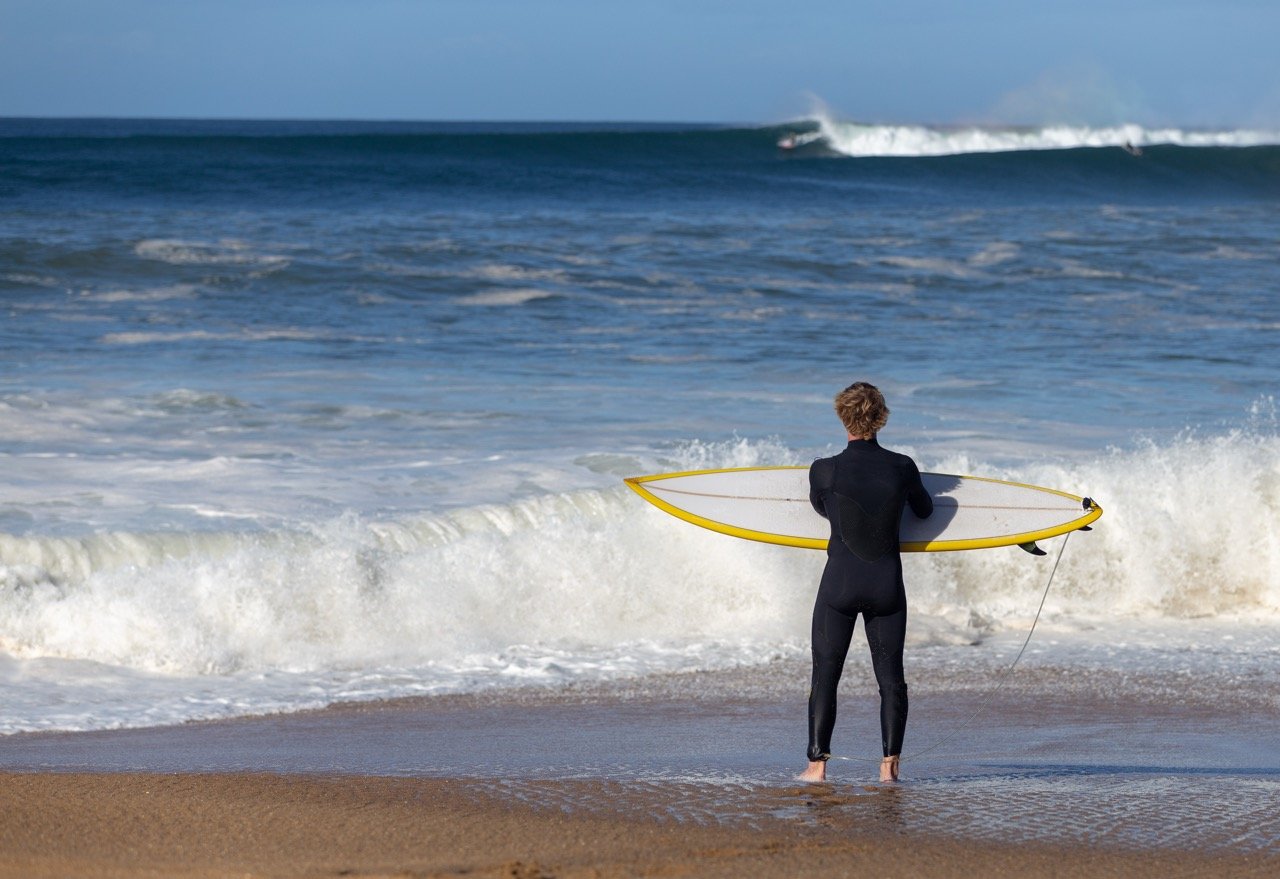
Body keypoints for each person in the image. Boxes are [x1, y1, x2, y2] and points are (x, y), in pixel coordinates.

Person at [799, 382, 933, 784]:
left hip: (839, 584)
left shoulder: (823, 470)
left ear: (843, 417)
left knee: (826, 675)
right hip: (886, 585)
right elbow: (924, 511)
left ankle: (816, 767)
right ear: (881, 418)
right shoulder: (903, 466)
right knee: (891, 679)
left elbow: (822, 507)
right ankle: (889, 769)